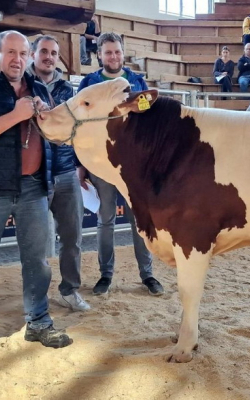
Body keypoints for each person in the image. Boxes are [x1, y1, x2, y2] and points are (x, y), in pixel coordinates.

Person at [0, 30, 72, 359]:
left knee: (37, 261)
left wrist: (43, 116)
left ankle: (38, 322)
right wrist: (15, 116)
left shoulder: (38, 88)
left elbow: (54, 135)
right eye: (10, 52)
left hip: (34, 187)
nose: (17, 59)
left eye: (23, 53)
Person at [77, 32, 164, 297]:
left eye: (117, 52)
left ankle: (147, 274)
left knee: (139, 220)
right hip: (101, 164)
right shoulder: (88, 83)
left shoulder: (136, 81)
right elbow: (80, 125)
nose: (113, 56)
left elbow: (149, 121)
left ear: (122, 53)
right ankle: (106, 275)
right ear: (99, 55)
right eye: (108, 52)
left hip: (133, 167)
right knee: (105, 220)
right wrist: (81, 164)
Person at [28, 35, 90, 312]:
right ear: (33, 54)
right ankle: (36, 297)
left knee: (72, 238)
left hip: (66, 173)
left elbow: (79, 132)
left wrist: (80, 166)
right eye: (44, 51)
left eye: (54, 53)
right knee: (37, 245)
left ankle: (69, 290)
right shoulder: (22, 86)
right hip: (35, 176)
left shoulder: (69, 90)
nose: (49, 57)